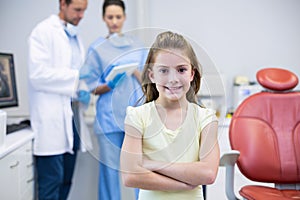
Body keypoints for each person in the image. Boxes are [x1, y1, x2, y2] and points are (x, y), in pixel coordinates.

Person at [120, 31, 220, 200]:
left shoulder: (206, 119)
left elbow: (208, 174)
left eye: (181, 70)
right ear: (152, 75)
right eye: (164, 71)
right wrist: (183, 184)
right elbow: (131, 176)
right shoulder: (137, 116)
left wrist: (152, 164)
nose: (173, 79)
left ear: (192, 74)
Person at [79, 0, 146, 199]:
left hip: (135, 117)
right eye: (110, 17)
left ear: (124, 17)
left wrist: (134, 71)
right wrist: (109, 85)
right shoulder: (97, 48)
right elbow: (90, 86)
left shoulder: (137, 46)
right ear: (103, 18)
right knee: (110, 173)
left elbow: (149, 81)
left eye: (118, 17)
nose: (114, 21)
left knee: (139, 172)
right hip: (108, 120)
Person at [27, 0, 90, 199]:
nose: (81, 15)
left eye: (84, 11)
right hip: (51, 120)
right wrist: (75, 79)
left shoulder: (74, 37)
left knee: (66, 180)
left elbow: (80, 73)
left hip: (72, 117)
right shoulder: (43, 32)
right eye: (77, 10)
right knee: (51, 183)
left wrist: (83, 86)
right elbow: (37, 75)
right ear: (63, 4)